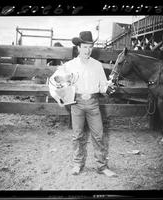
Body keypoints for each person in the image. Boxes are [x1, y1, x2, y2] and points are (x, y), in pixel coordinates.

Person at [49, 31, 117, 177]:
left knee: (98, 135)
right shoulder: (69, 66)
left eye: (90, 47)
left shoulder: (97, 65)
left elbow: (102, 86)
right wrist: (59, 97)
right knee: (77, 135)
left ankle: (102, 166)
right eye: (85, 47)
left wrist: (109, 88)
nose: (88, 50)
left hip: (93, 103)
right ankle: (77, 164)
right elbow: (54, 81)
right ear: (78, 47)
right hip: (77, 103)